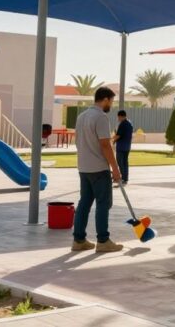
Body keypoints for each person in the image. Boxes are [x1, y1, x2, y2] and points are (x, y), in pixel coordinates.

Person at [71, 87, 124, 253]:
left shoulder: (81, 116)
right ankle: (103, 240)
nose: (112, 105)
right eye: (112, 101)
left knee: (84, 203)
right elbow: (105, 145)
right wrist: (115, 169)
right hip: (99, 168)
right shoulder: (101, 117)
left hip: (84, 167)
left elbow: (77, 141)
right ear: (106, 99)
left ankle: (78, 240)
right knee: (103, 203)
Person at [112, 110, 133, 185]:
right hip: (127, 146)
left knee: (120, 162)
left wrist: (111, 139)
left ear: (121, 116)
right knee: (125, 162)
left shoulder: (122, 124)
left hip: (121, 147)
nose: (118, 119)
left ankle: (122, 178)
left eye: (118, 117)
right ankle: (125, 178)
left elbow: (118, 135)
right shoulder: (130, 123)